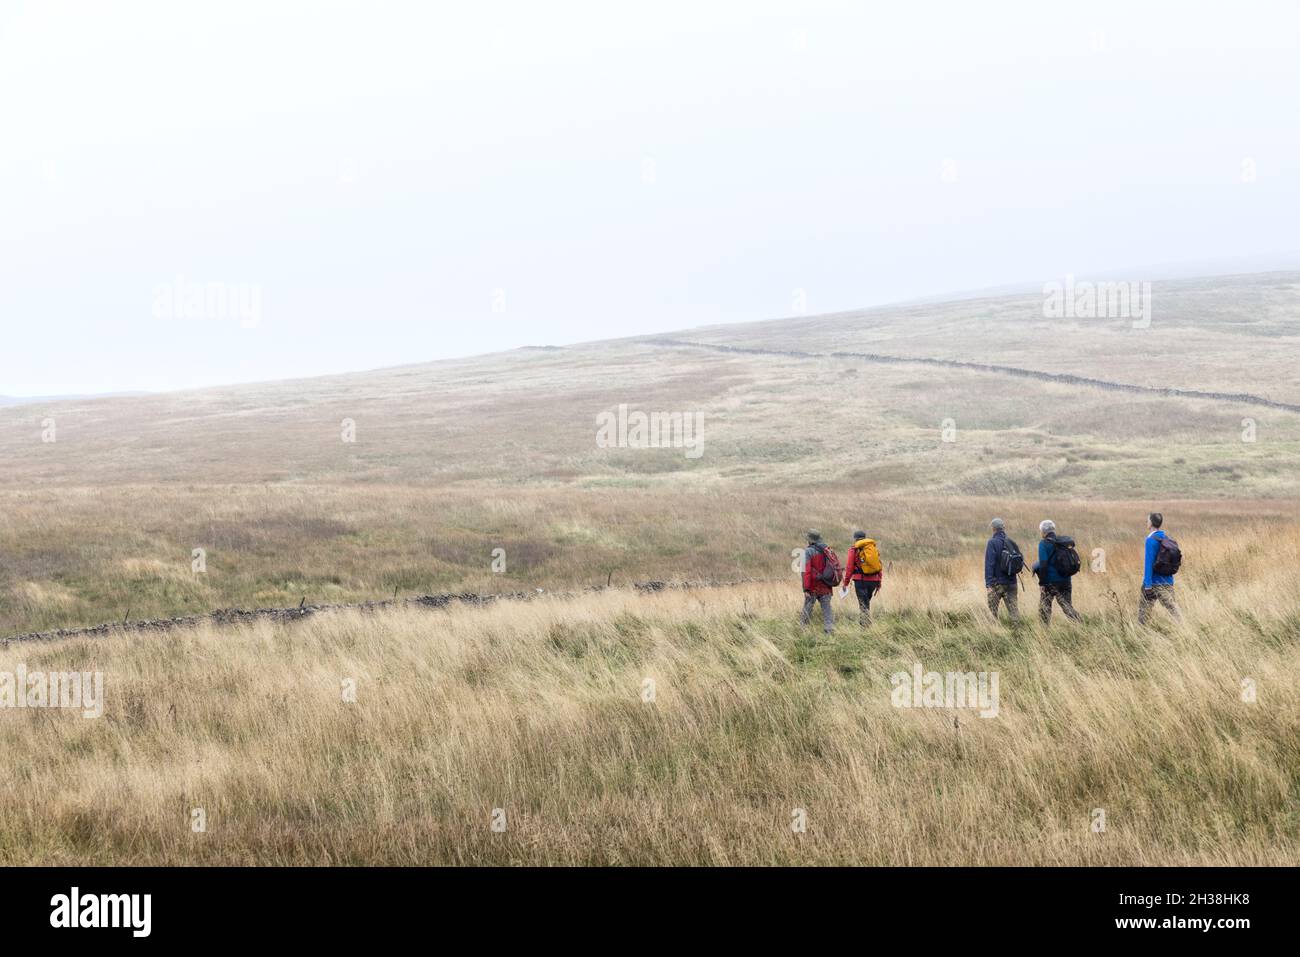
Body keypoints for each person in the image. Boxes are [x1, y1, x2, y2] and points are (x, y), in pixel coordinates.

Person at [1032, 519, 1081, 624]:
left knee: (1044, 607)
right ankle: (1080, 623)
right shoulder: (1062, 542)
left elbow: (1043, 565)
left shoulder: (1044, 544)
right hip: (1066, 580)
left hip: (1050, 582)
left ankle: (1044, 632)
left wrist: (1042, 584)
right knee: (1067, 607)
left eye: (1041, 531)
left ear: (1044, 532)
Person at [1139, 512, 1182, 624]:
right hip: (1168, 581)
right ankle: (1182, 629)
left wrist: (1148, 585)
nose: (1146, 522)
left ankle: (1141, 634)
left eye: (1147, 520)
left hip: (1153, 583)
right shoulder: (1166, 538)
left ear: (1151, 523)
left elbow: (1148, 564)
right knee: (1173, 610)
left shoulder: (1150, 540)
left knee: (1144, 613)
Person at [840, 530, 883, 625]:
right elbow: (879, 566)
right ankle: (866, 624)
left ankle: (865, 626)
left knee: (863, 604)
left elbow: (849, 567)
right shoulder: (873, 548)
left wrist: (846, 583)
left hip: (861, 580)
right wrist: (879, 581)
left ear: (855, 538)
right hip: (874, 581)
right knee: (866, 603)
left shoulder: (854, 549)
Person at [799, 529, 836, 635]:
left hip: (813, 586)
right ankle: (829, 631)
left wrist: (806, 588)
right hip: (826, 585)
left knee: (807, 609)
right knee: (827, 609)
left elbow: (806, 571)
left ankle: (803, 630)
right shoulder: (827, 550)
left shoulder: (808, 551)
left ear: (810, 540)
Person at [983, 518, 1020, 622]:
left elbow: (989, 564)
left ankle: (994, 633)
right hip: (1012, 582)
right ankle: (1018, 633)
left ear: (993, 528)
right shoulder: (1011, 542)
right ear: (1003, 528)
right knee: (1014, 611)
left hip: (997, 584)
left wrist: (989, 584)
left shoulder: (992, 542)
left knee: (992, 612)